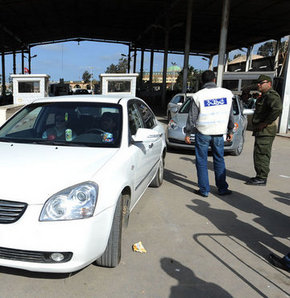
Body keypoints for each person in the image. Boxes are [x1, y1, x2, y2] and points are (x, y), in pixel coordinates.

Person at [184, 70, 234, 197]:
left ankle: (204, 190)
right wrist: (230, 130)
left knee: (201, 161)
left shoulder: (198, 95)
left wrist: (188, 133)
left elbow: (192, 117)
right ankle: (222, 188)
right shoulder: (227, 94)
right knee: (219, 159)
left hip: (203, 133)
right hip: (219, 133)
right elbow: (230, 114)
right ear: (214, 80)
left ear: (202, 81)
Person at [246, 75, 282, 186]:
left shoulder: (271, 96)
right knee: (259, 153)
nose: (259, 85)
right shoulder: (264, 96)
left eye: (261, 83)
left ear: (269, 84)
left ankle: (262, 177)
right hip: (262, 130)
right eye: (258, 83)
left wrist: (265, 123)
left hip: (266, 130)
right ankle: (260, 175)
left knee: (262, 154)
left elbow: (277, 109)